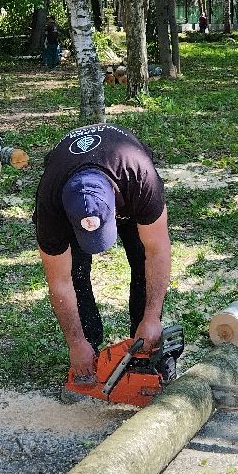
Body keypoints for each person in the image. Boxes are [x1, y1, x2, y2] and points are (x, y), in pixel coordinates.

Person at [33, 123, 171, 382]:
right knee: (76, 274)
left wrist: (152, 316)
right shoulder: (50, 206)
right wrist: (75, 342)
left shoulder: (139, 175)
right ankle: (88, 351)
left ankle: (143, 351)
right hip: (67, 187)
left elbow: (158, 250)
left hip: (125, 186)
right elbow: (59, 282)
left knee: (142, 261)